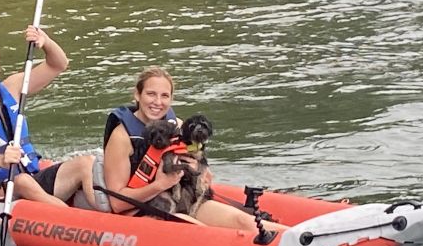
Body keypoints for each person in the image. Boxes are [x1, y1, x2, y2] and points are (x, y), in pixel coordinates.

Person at [102, 66, 286, 233]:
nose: (157, 102)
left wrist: (202, 171)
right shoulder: (122, 137)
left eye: (165, 96)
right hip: (143, 209)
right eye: (151, 94)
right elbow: (117, 203)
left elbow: (197, 162)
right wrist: (160, 185)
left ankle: (303, 238)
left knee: (242, 220)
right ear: (137, 95)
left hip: (183, 200)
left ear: (171, 99)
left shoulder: (178, 125)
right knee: (196, 228)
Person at [0, 26, 96, 208]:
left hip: (31, 177)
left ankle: (104, 216)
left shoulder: (12, 87)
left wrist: (46, 42)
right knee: (22, 181)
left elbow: (59, 64)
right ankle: (73, 219)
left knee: (86, 163)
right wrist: (0, 159)